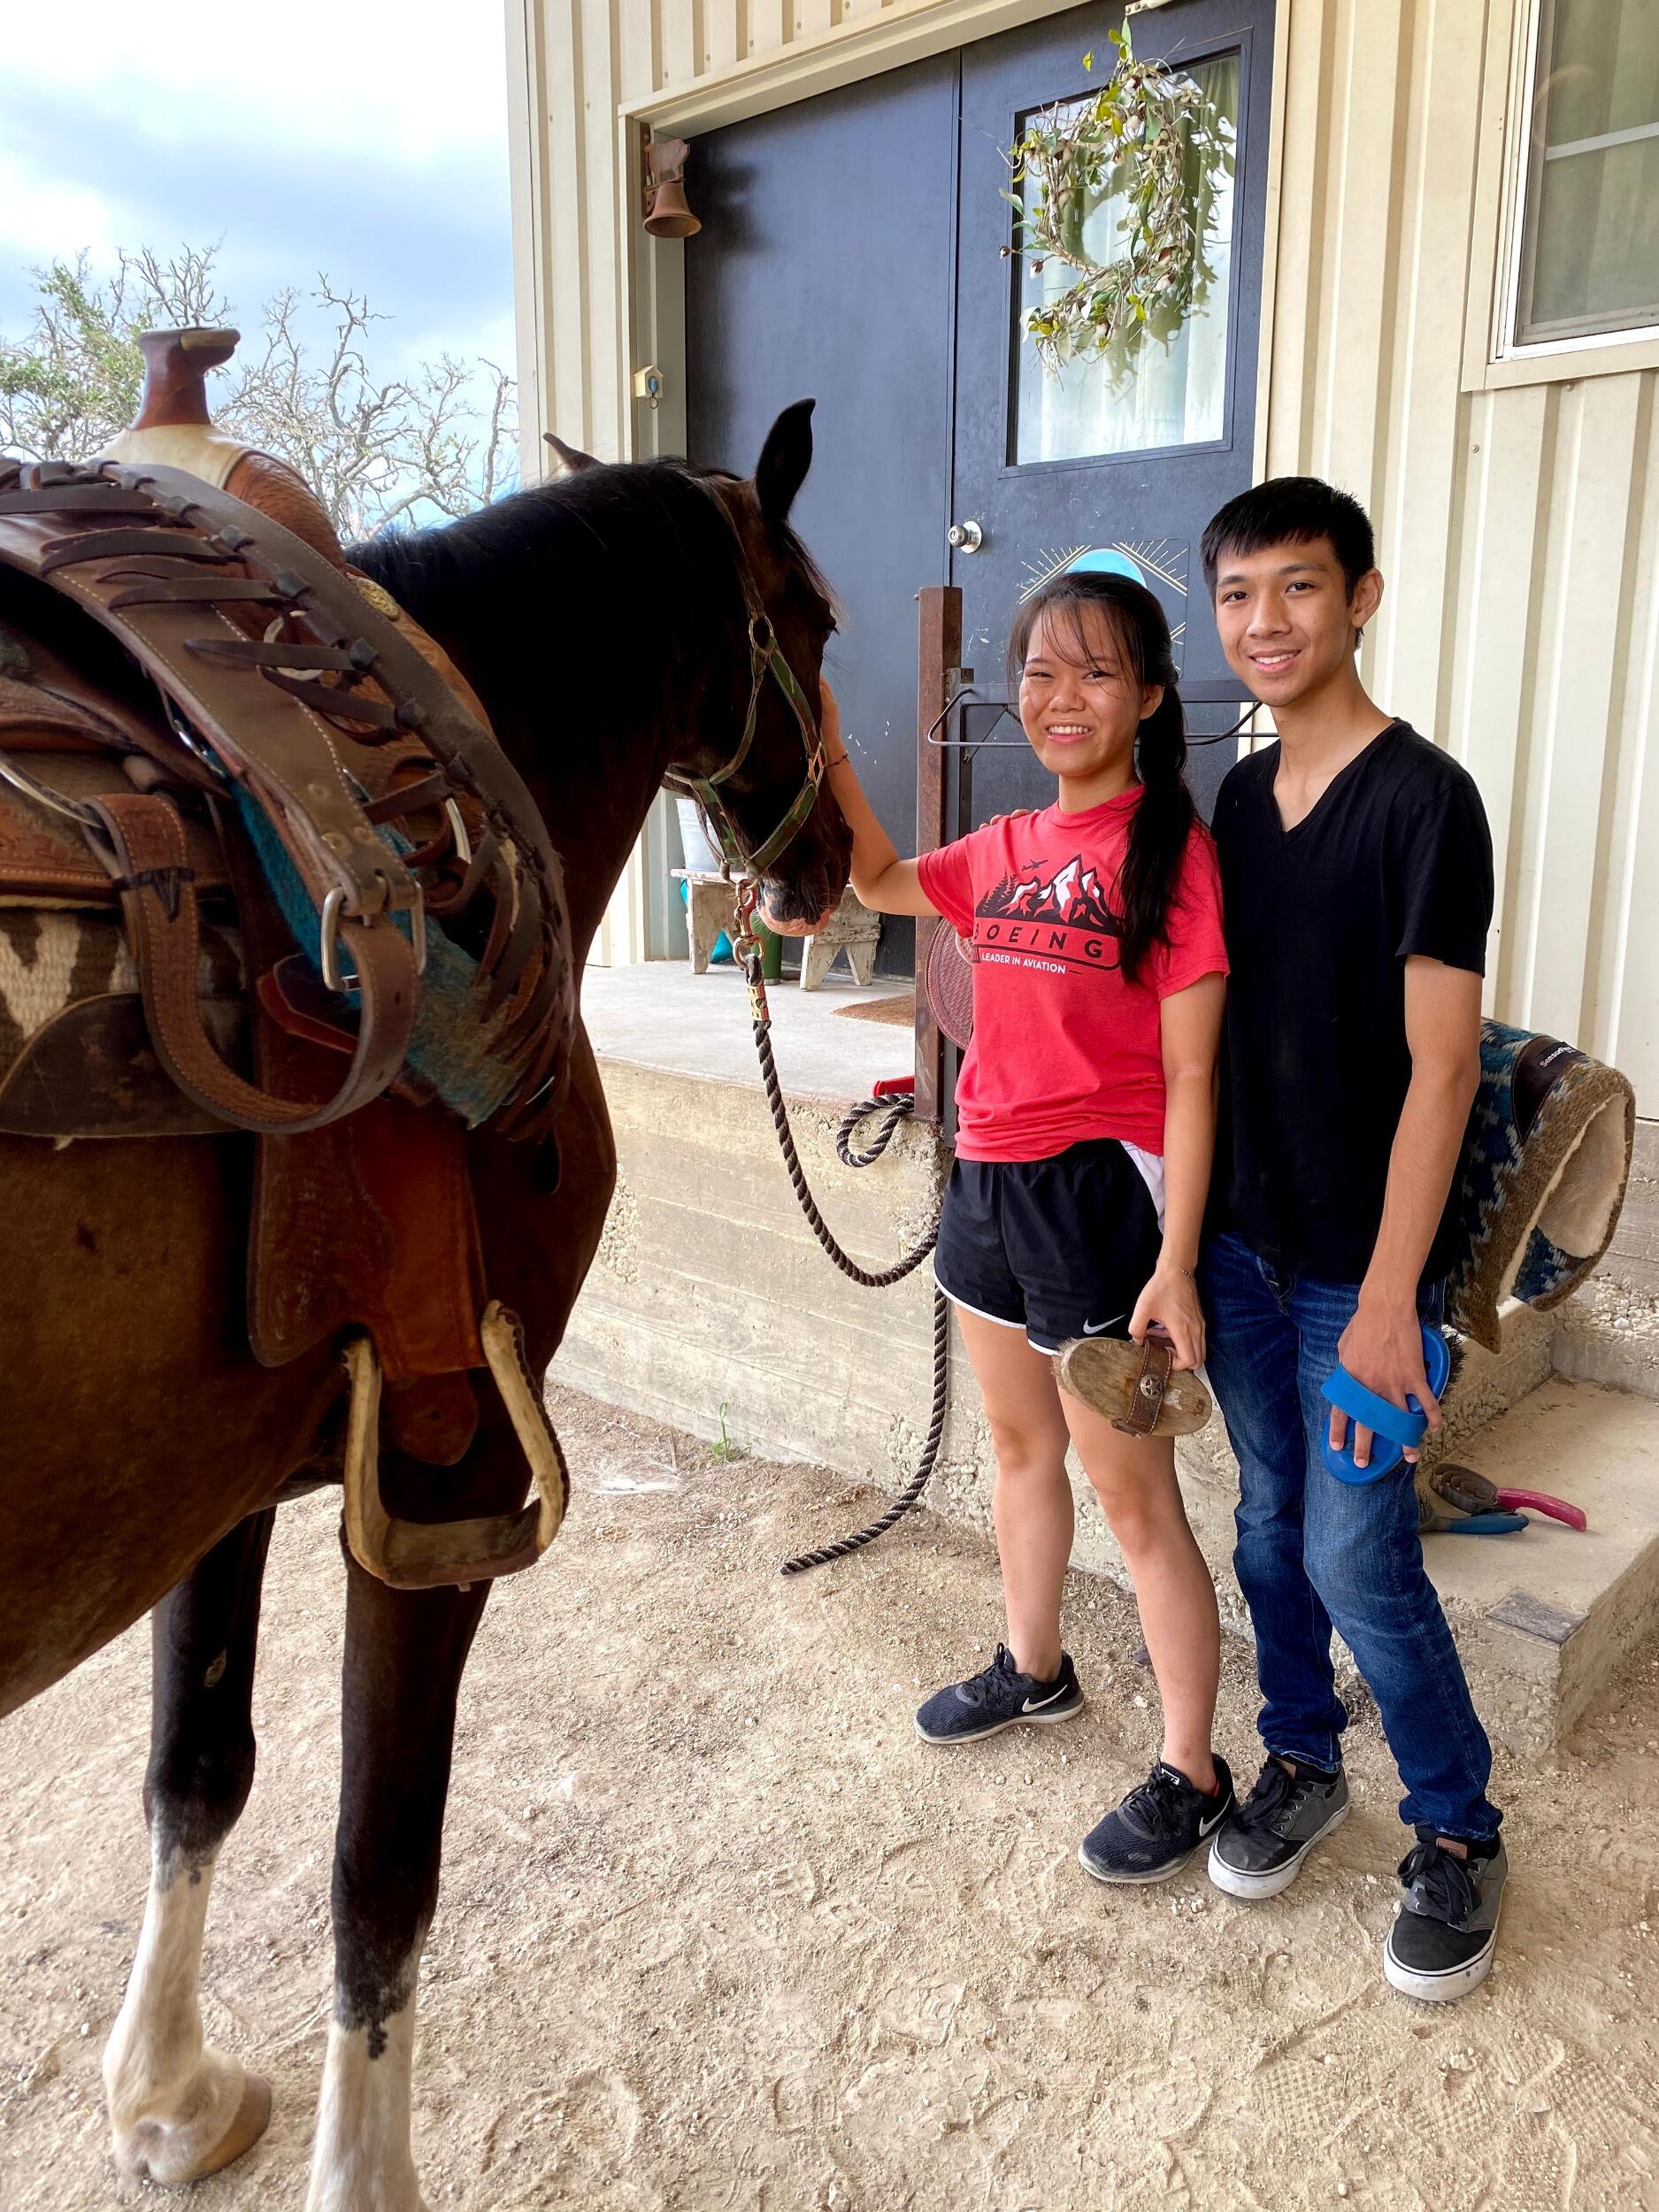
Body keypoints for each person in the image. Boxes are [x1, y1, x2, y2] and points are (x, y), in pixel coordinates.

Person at [786, 571, 1233, 1884]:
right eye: (1041, 671)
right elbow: (878, 877)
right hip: (984, 1175)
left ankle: (1194, 1770)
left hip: (1098, 1196)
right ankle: (1036, 1667)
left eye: (1096, 672)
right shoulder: (1003, 847)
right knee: (1016, 1443)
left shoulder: (1174, 856)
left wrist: (1176, 1260)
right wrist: (825, 737)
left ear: (1149, 697)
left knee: (1133, 1497)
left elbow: (1193, 1077)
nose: (1061, 697)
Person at [1195, 476, 1505, 2001]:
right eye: (1238, 594)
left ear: (1362, 597)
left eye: (1300, 586)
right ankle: (1302, 1758)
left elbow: (1444, 1071)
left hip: (1357, 1276)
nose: (1267, 621)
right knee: (1268, 1526)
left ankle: (1455, 1828)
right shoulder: (1238, 802)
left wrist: (1393, 1301)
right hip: (1239, 1253)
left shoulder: (1427, 799)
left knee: (1354, 1553)